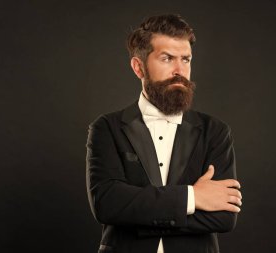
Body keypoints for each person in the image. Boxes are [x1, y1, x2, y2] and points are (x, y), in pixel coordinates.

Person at [86, 14, 242, 253]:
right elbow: (107, 204)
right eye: (167, 58)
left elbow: (223, 217)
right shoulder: (106, 128)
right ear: (139, 67)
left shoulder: (216, 131)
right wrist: (192, 198)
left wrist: (138, 214)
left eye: (186, 59)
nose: (180, 70)